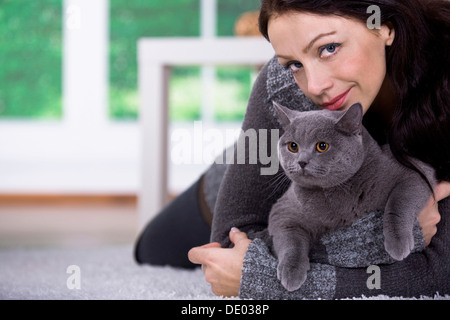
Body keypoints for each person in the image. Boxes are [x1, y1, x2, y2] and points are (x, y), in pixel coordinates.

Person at [135, 0, 450, 299]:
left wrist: (269, 279)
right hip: (270, 177)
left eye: (329, 49)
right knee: (151, 249)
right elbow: (229, 246)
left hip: (323, 191)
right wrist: (371, 241)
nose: (314, 86)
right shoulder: (287, 87)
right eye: (295, 63)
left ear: (385, 27)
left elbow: (437, 272)